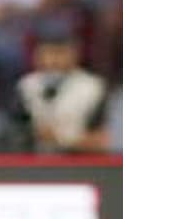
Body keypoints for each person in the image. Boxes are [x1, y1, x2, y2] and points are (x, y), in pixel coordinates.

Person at [12, 22, 110, 153]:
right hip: (34, 164)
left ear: (75, 53)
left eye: (60, 52)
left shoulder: (93, 87)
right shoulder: (26, 85)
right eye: (47, 53)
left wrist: (60, 139)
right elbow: (16, 132)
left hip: (79, 164)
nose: (53, 59)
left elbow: (101, 141)